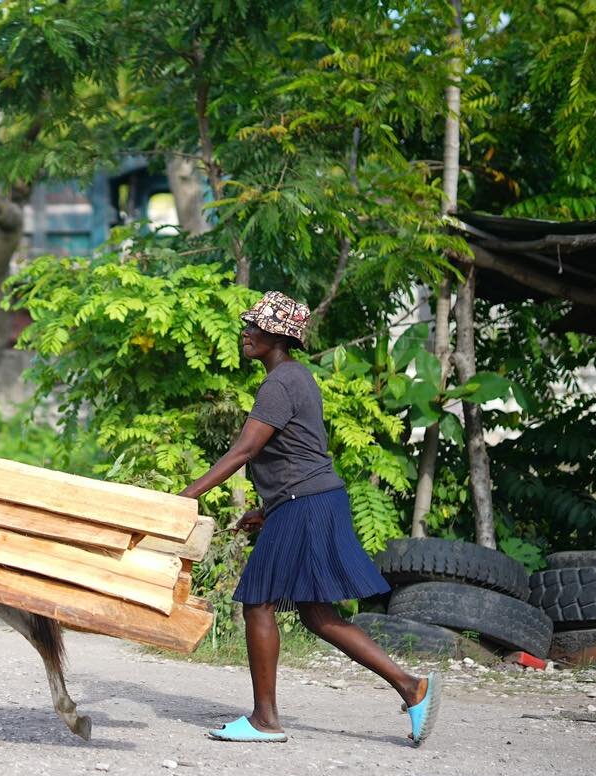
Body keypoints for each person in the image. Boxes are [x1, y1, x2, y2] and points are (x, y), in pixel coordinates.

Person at [179, 291, 440, 746]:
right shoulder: (296, 378)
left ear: (277, 336)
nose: (246, 332)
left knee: (257, 600)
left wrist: (185, 497)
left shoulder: (280, 382)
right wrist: (267, 508)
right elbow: (299, 450)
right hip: (309, 500)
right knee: (317, 614)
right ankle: (411, 687)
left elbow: (245, 450)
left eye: (254, 327)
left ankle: (265, 720)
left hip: (305, 503)